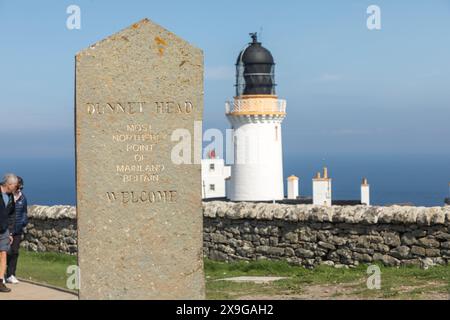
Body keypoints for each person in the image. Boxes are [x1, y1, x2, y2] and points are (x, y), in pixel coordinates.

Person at [6, 177, 28, 284]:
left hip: (17, 230)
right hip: (6, 230)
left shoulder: (23, 198)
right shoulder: (7, 198)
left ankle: (11, 274)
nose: (19, 190)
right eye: (18, 187)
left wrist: (23, 222)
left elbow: (24, 212)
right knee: (4, 252)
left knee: (14, 252)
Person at [0, 173, 18, 293]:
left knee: (3, 254)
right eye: (15, 185)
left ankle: (0, 282)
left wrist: (10, 232)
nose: (16, 188)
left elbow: (11, 215)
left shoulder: (11, 196)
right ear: (9, 184)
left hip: (4, 230)